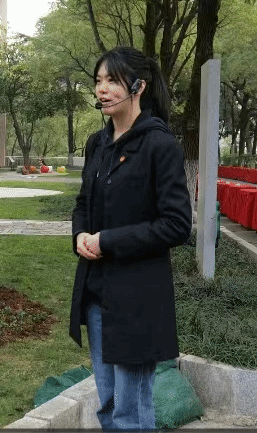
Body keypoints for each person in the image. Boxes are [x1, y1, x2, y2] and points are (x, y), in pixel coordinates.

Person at [70, 46, 192, 431]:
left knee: (131, 411)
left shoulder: (160, 145)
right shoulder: (97, 144)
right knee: (108, 405)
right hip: (97, 292)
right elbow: (83, 203)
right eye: (98, 81)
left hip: (138, 295)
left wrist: (106, 241)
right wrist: (80, 234)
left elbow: (176, 224)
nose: (102, 89)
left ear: (138, 86)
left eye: (112, 80)